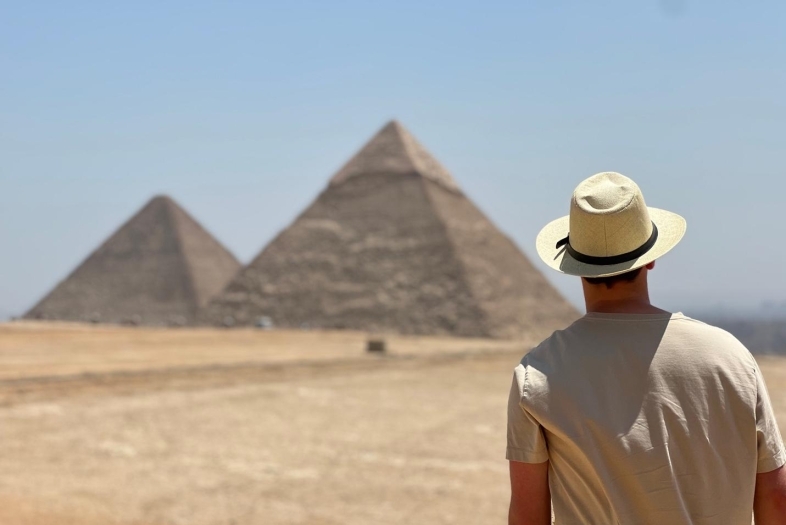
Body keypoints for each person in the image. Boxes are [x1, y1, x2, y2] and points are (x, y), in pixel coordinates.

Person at [507, 172, 786, 524]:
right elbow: (776, 498)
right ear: (650, 258)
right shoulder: (730, 356)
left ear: (575, 267)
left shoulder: (538, 372)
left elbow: (528, 514)